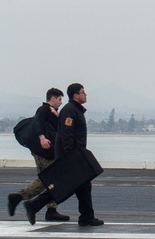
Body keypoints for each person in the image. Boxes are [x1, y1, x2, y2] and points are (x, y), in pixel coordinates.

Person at [22, 83, 104, 227]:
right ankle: (33, 205)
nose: (86, 95)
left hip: (75, 155)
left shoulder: (73, 110)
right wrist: (71, 158)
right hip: (71, 156)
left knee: (82, 186)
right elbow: (66, 135)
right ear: (76, 95)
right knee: (64, 186)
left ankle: (86, 217)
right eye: (83, 92)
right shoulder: (70, 110)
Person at [7, 88, 70, 221]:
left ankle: (50, 209)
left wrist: (57, 116)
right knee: (48, 180)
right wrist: (42, 137)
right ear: (52, 98)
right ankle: (21, 198)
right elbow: (37, 123)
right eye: (59, 100)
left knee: (51, 180)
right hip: (44, 153)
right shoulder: (44, 109)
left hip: (47, 152)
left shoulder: (51, 111)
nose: (60, 103)